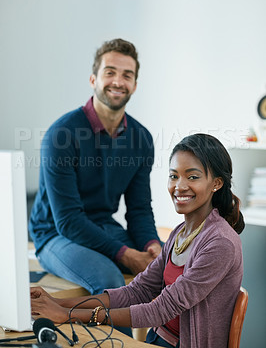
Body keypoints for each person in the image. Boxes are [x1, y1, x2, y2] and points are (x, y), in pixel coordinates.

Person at [31, 133, 245, 348]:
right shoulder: (180, 233)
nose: (179, 186)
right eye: (173, 176)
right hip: (158, 339)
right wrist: (56, 302)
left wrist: (68, 314)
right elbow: (138, 291)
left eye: (192, 177)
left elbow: (159, 310)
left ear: (216, 183)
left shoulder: (220, 243)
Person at [29, 38, 161, 296]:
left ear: (134, 85)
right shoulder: (62, 134)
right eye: (110, 72)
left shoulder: (141, 139)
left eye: (127, 75)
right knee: (109, 278)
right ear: (93, 80)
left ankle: (156, 339)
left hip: (102, 226)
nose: (118, 81)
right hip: (55, 234)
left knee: (173, 267)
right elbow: (68, 220)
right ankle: (119, 340)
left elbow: (139, 210)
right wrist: (126, 255)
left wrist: (151, 244)